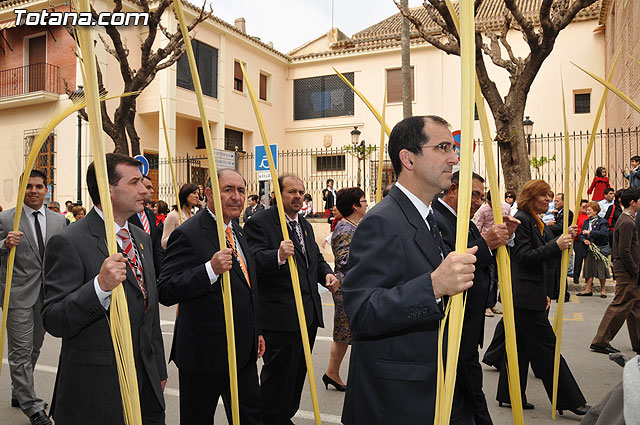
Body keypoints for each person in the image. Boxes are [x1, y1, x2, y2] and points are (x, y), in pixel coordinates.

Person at [341, 115, 479, 424]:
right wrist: (432, 286)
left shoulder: (429, 218)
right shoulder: (383, 220)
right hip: (398, 401)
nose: (454, 158)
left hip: (440, 387)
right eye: (443, 147)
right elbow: (361, 311)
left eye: (453, 148)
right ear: (408, 158)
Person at [42, 153, 167, 424]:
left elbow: (149, 310)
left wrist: (157, 369)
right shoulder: (69, 241)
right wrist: (99, 287)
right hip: (95, 391)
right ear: (108, 189)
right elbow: (54, 319)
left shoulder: (141, 237)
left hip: (144, 386)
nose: (145, 189)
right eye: (135, 182)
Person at [158, 169, 264, 424]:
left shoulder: (238, 231)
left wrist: (256, 331)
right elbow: (166, 289)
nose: (236, 196)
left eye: (240, 190)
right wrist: (209, 270)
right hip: (204, 355)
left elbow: (249, 287)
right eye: (228, 189)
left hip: (242, 354)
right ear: (209, 194)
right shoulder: (189, 233)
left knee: (251, 418)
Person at [244, 174, 338, 425]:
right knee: (278, 377)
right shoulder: (261, 223)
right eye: (291, 192)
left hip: (307, 315)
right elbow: (250, 260)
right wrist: (277, 255)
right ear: (277, 194)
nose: (298, 196)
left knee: (297, 374)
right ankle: (270, 418)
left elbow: (316, 260)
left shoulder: (304, 225)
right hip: (280, 318)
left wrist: (327, 275)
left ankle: (284, 415)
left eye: (301, 192)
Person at [495, 179, 589, 416]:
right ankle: (570, 400)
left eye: (549, 195)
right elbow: (525, 257)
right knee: (547, 347)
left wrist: (564, 236)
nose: (548, 199)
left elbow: (546, 247)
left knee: (520, 346)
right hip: (524, 296)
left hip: (532, 293)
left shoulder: (537, 220)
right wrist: (557, 245)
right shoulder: (522, 219)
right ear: (530, 197)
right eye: (543, 195)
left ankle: (509, 394)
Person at [434, 171, 519, 425]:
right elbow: (452, 265)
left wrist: (503, 237)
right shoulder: (437, 220)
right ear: (452, 190)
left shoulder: (464, 221)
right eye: (473, 194)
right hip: (454, 325)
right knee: (472, 395)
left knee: (466, 395)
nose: (477, 202)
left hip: (469, 324)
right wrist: (487, 243)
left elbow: (483, 262)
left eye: (480, 197)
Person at [0, 170, 66, 425]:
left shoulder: (58, 221)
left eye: (39, 186)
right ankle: (33, 407)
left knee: (34, 348)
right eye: (28, 187)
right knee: (20, 352)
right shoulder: (7, 219)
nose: (34, 191)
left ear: (46, 189)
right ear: (21, 190)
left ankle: (19, 391)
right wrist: (4, 244)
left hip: (46, 294)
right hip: (16, 294)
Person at [322, 187, 367, 393]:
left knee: (345, 336)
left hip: (355, 287)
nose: (367, 204)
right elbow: (344, 261)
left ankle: (332, 373)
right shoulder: (344, 229)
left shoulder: (353, 226)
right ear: (355, 206)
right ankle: (332, 373)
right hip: (347, 289)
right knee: (344, 335)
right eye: (364, 201)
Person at [590, 188, 640, 355]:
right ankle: (601, 341)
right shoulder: (626, 221)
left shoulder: (627, 219)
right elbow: (624, 250)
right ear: (633, 202)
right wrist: (635, 271)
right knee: (620, 305)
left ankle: (637, 342)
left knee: (635, 306)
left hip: (629, 270)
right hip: (627, 271)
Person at [129, 175, 163, 278]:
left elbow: (155, 246)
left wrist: (159, 274)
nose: (152, 191)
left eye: (152, 188)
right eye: (148, 187)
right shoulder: (128, 214)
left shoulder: (150, 214)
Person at [577, 201, 611, 298]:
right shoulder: (586, 222)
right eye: (586, 210)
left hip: (599, 249)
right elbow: (581, 235)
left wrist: (590, 233)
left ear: (596, 211)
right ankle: (588, 289)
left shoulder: (602, 222)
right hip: (588, 249)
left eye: (589, 210)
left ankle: (603, 290)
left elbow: (604, 233)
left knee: (601, 269)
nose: (587, 212)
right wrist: (584, 240)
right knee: (589, 269)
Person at [161, 183, 199, 249]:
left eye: (198, 194)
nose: (197, 196)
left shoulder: (194, 215)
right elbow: (164, 243)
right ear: (185, 194)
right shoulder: (173, 216)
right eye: (194, 193)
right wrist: (179, 236)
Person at [573, 199, 590, 285]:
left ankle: (588, 278)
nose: (585, 209)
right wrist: (582, 232)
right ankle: (576, 277)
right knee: (578, 258)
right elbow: (575, 227)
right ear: (579, 207)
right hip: (578, 240)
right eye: (583, 207)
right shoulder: (576, 216)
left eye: (587, 207)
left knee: (588, 260)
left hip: (588, 240)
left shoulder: (589, 216)